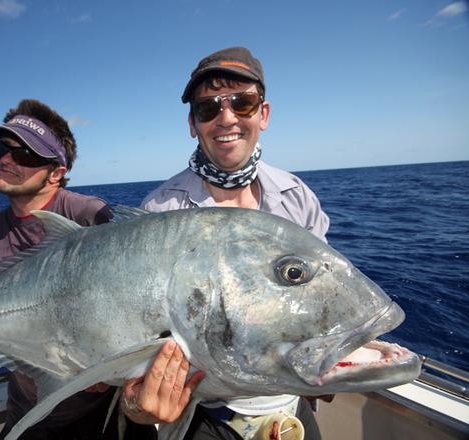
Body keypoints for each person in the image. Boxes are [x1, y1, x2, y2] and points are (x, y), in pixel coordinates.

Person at [0, 98, 171, 439]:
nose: (5, 159)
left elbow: (136, 298)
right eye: (1, 149)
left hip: (101, 411)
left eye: (23, 155)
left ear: (56, 173)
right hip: (29, 405)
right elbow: (7, 305)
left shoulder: (90, 215)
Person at [138, 46, 330, 439]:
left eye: (242, 103)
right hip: (206, 417)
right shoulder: (160, 210)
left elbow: (322, 304)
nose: (226, 118)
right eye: (208, 109)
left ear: (264, 113)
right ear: (193, 124)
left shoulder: (297, 197)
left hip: (289, 411)